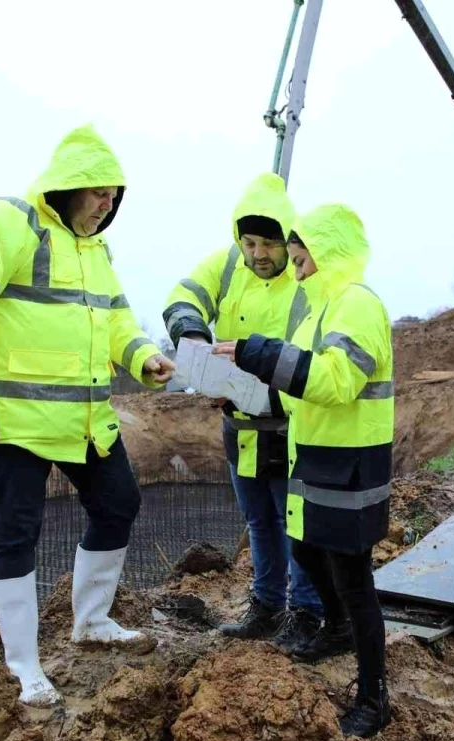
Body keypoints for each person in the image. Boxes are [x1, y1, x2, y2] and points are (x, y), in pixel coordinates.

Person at [0, 125, 176, 708]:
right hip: (16, 422)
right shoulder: (7, 223)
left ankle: (90, 621)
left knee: (119, 503)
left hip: (86, 420)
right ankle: (25, 666)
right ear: (69, 186)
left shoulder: (97, 252)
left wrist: (144, 358)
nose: (108, 204)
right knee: (16, 532)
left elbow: (117, 321)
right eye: (99, 192)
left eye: (115, 196)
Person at [212, 204, 394, 738]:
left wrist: (259, 354)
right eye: (293, 261)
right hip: (314, 454)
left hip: (352, 460)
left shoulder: (356, 305)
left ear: (328, 253)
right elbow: (299, 387)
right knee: (309, 549)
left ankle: (372, 696)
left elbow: (336, 381)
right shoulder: (320, 310)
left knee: (354, 578)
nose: (296, 271)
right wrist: (240, 385)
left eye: (301, 260)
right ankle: (336, 628)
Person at [162, 173, 324, 650]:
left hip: (289, 426)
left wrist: (260, 394)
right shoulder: (229, 264)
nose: (258, 254)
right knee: (258, 522)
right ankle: (267, 605)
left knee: (297, 524)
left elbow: (313, 363)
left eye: (269, 243)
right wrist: (192, 333)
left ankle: (308, 613)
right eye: (250, 242)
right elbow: (183, 295)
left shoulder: (304, 279)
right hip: (240, 427)